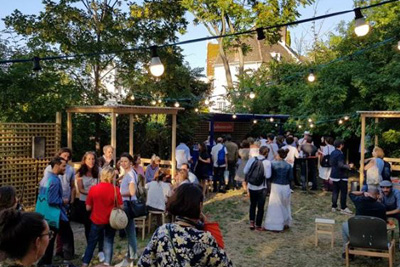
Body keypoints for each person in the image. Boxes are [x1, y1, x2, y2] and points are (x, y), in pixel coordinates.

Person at [138, 183, 232, 266]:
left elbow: (144, 262)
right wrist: (207, 223)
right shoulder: (204, 239)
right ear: (200, 206)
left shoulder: (162, 231)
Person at [82, 167, 123, 266]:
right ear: (112, 177)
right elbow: (121, 206)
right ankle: (107, 263)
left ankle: (85, 263)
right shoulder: (115, 189)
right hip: (110, 220)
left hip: (96, 219)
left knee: (91, 243)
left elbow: (88, 207)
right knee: (108, 241)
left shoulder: (93, 189)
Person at [37, 157, 74, 266]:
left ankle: (45, 262)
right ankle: (67, 261)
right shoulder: (54, 181)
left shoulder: (46, 178)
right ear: (56, 166)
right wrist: (63, 201)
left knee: (50, 239)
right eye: (63, 166)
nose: (65, 169)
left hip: (46, 214)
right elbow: (52, 200)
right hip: (56, 215)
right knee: (67, 236)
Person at [341, 187, 386, 259]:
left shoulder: (359, 201)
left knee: (344, 225)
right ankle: (377, 252)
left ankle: (347, 252)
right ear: (377, 195)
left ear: (367, 194)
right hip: (375, 239)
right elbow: (383, 223)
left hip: (358, 237)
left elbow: (351, 193)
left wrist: (362, 193)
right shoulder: (381, 207)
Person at [76, 151, 104, 261]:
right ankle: (89, 250)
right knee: (88, 226)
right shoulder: (80, 173)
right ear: (84, 160)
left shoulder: (100, 171)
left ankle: (101, 250)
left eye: (93, 159)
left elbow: (103, 184)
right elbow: (80, 189)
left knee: (100, 226)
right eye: (89, 159)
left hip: (97, 203)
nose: (91, 161)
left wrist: (97, 193)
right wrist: (92, 193)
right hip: (85, 202)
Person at [264, 149, 293, 232]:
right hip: (286, 185)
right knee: (285, 204)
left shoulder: (273, 164)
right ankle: (285, 222)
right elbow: (291, 178)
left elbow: (269, 175)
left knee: (275, 205)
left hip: (276, 185)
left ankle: (274, 225)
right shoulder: (288, 165)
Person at [117, 153, 138, 267]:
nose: (123, 163)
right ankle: (130, 254)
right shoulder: (127, 173)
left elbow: (132, 192)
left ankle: (132, 257)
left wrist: (118, 194)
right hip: (126, 203)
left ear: (130, 162)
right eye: (121, 161)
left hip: (127, 203)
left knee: (130, 231)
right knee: (129, 231)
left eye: (125, 161)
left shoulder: (130, 174)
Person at [243, 146, 271, 231]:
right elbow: (268, 175)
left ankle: (252, 222)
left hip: (251, 186)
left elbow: (245, 171)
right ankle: (258, 224)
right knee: (261, 206)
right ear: (266, 154)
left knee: (252, 204)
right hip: (262, 187)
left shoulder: (252, 160)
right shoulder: (267, 162)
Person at [330, 140, 354, 215]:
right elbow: (340, 165)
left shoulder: (333, 152)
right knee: (343, 192)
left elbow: (331, 162)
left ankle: (334, 206)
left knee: (335, 191)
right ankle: (343, 207)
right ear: (341, 145)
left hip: (334, 174)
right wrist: (348, 166)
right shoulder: (340, 154)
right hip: (341, 175)